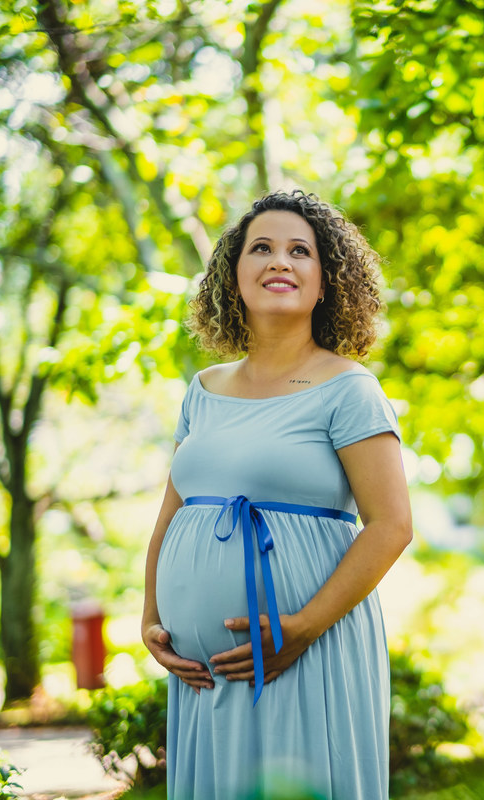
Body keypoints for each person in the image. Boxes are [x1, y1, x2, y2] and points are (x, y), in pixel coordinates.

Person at [141, 189, 413, 799]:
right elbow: (170, 516)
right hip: (202, 675)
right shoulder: (203, 389)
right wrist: (152, 616)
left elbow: (392, 525)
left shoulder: (349, 389)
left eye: (300, 251)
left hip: (306, 648)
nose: (279, 262)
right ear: (233, 276)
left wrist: (302, 627)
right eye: (261, 248)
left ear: (326, 283)